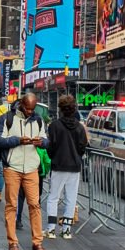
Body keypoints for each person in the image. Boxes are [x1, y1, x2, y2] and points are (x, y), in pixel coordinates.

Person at [0, 93, 48, 250]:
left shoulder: (38, 120)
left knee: (35, 205)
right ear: (21, 104)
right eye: (27, 108)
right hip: (12, 167)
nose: (30, 111)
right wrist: (17, 140)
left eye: (32, 108)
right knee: (11, 205)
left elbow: (47, 140)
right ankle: (12, 242)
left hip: (31, 168)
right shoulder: (8, 118)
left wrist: (41, 142)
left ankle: (37, 242)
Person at [44, 95, 88, 240]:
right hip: (74, 166)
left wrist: (53, 157)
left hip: (59, 165)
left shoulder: (55, 126)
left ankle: (51, 229)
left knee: (53, 197)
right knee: (71, 198)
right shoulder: (80, 127)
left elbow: (51, 146)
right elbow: (82, 147)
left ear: (60, 108)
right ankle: (66, 230)